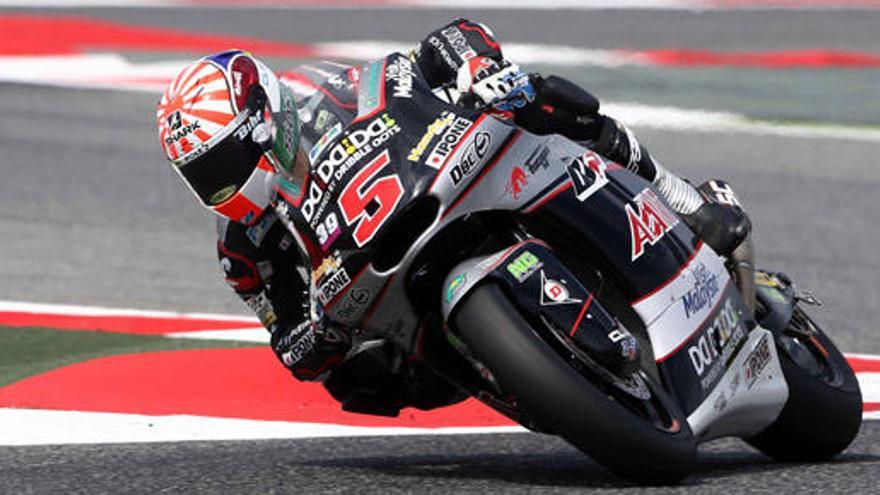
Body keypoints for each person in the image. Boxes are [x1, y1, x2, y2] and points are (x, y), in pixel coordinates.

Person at [156, 19, 749, 416]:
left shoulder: (334, 90)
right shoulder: (244, 248)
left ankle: (683, 199)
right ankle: (524, 374)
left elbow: (437, 46)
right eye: (203, 176)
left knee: (540, 99)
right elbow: (287, 342)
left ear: (264, 120)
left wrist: (476, 69)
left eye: (223, 162)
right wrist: (319, 334)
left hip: (450, 182)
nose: (221, 184)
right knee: (356, 384)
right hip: (393, 295)